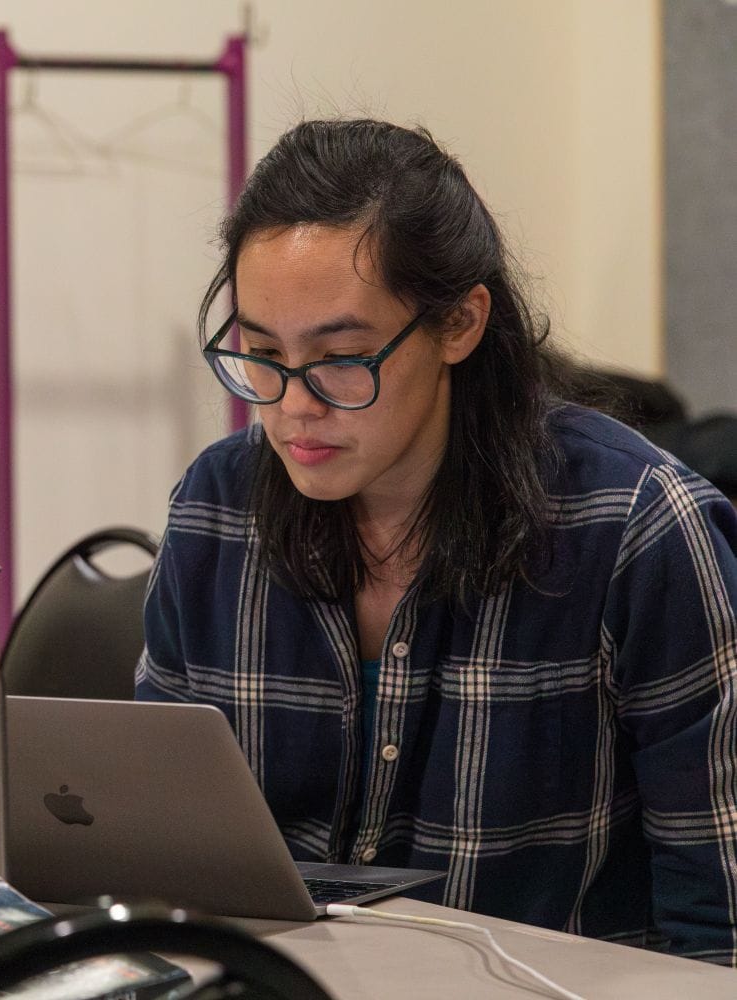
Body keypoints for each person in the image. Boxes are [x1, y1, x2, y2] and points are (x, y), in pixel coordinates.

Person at [136, 119, 737, 963]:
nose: (292, 406)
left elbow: (722, 922)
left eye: (342, 357)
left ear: (459, 324)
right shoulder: (217, 509)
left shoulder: (635, 527)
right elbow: (154, 855)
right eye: (261, 353)